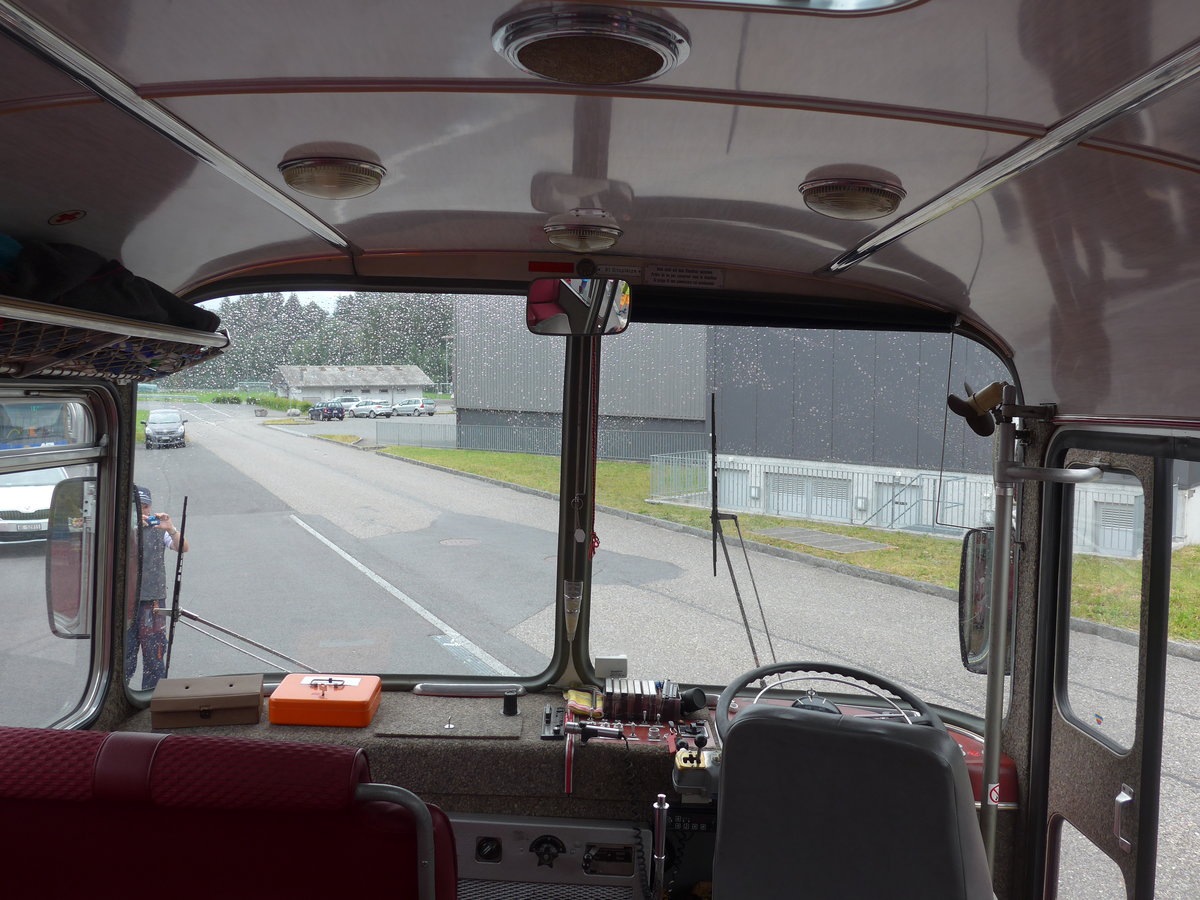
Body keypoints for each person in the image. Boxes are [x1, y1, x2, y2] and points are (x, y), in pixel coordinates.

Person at [126, 485, 188, 690]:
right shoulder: (119, 529)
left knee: (155, 656)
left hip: (153, 601)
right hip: (124, 602)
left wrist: (171, 528)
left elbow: (183, 548)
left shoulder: (158, 529)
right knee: (125, 656)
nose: (143, 512)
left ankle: (151, 697)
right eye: (137, 507)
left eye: (145, 507)